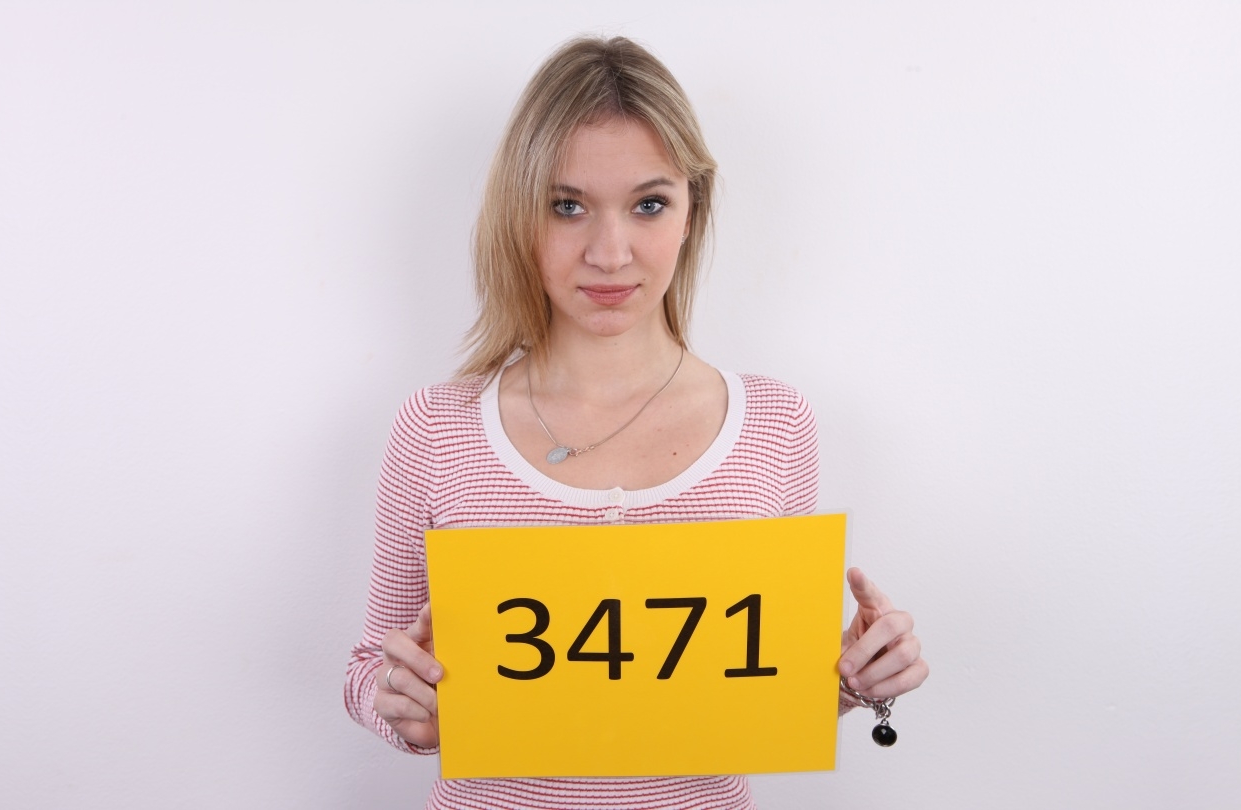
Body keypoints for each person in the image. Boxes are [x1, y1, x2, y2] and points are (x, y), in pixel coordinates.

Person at [345, 36, 928, 809]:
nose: (611, 253)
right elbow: (369, 666)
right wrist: (403, 708)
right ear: (519, 215)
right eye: (567, 206)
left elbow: (759, 697)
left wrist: (851, 679)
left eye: (649, 204)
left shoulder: (775, 425)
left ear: (691, 213)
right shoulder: (436, 427)